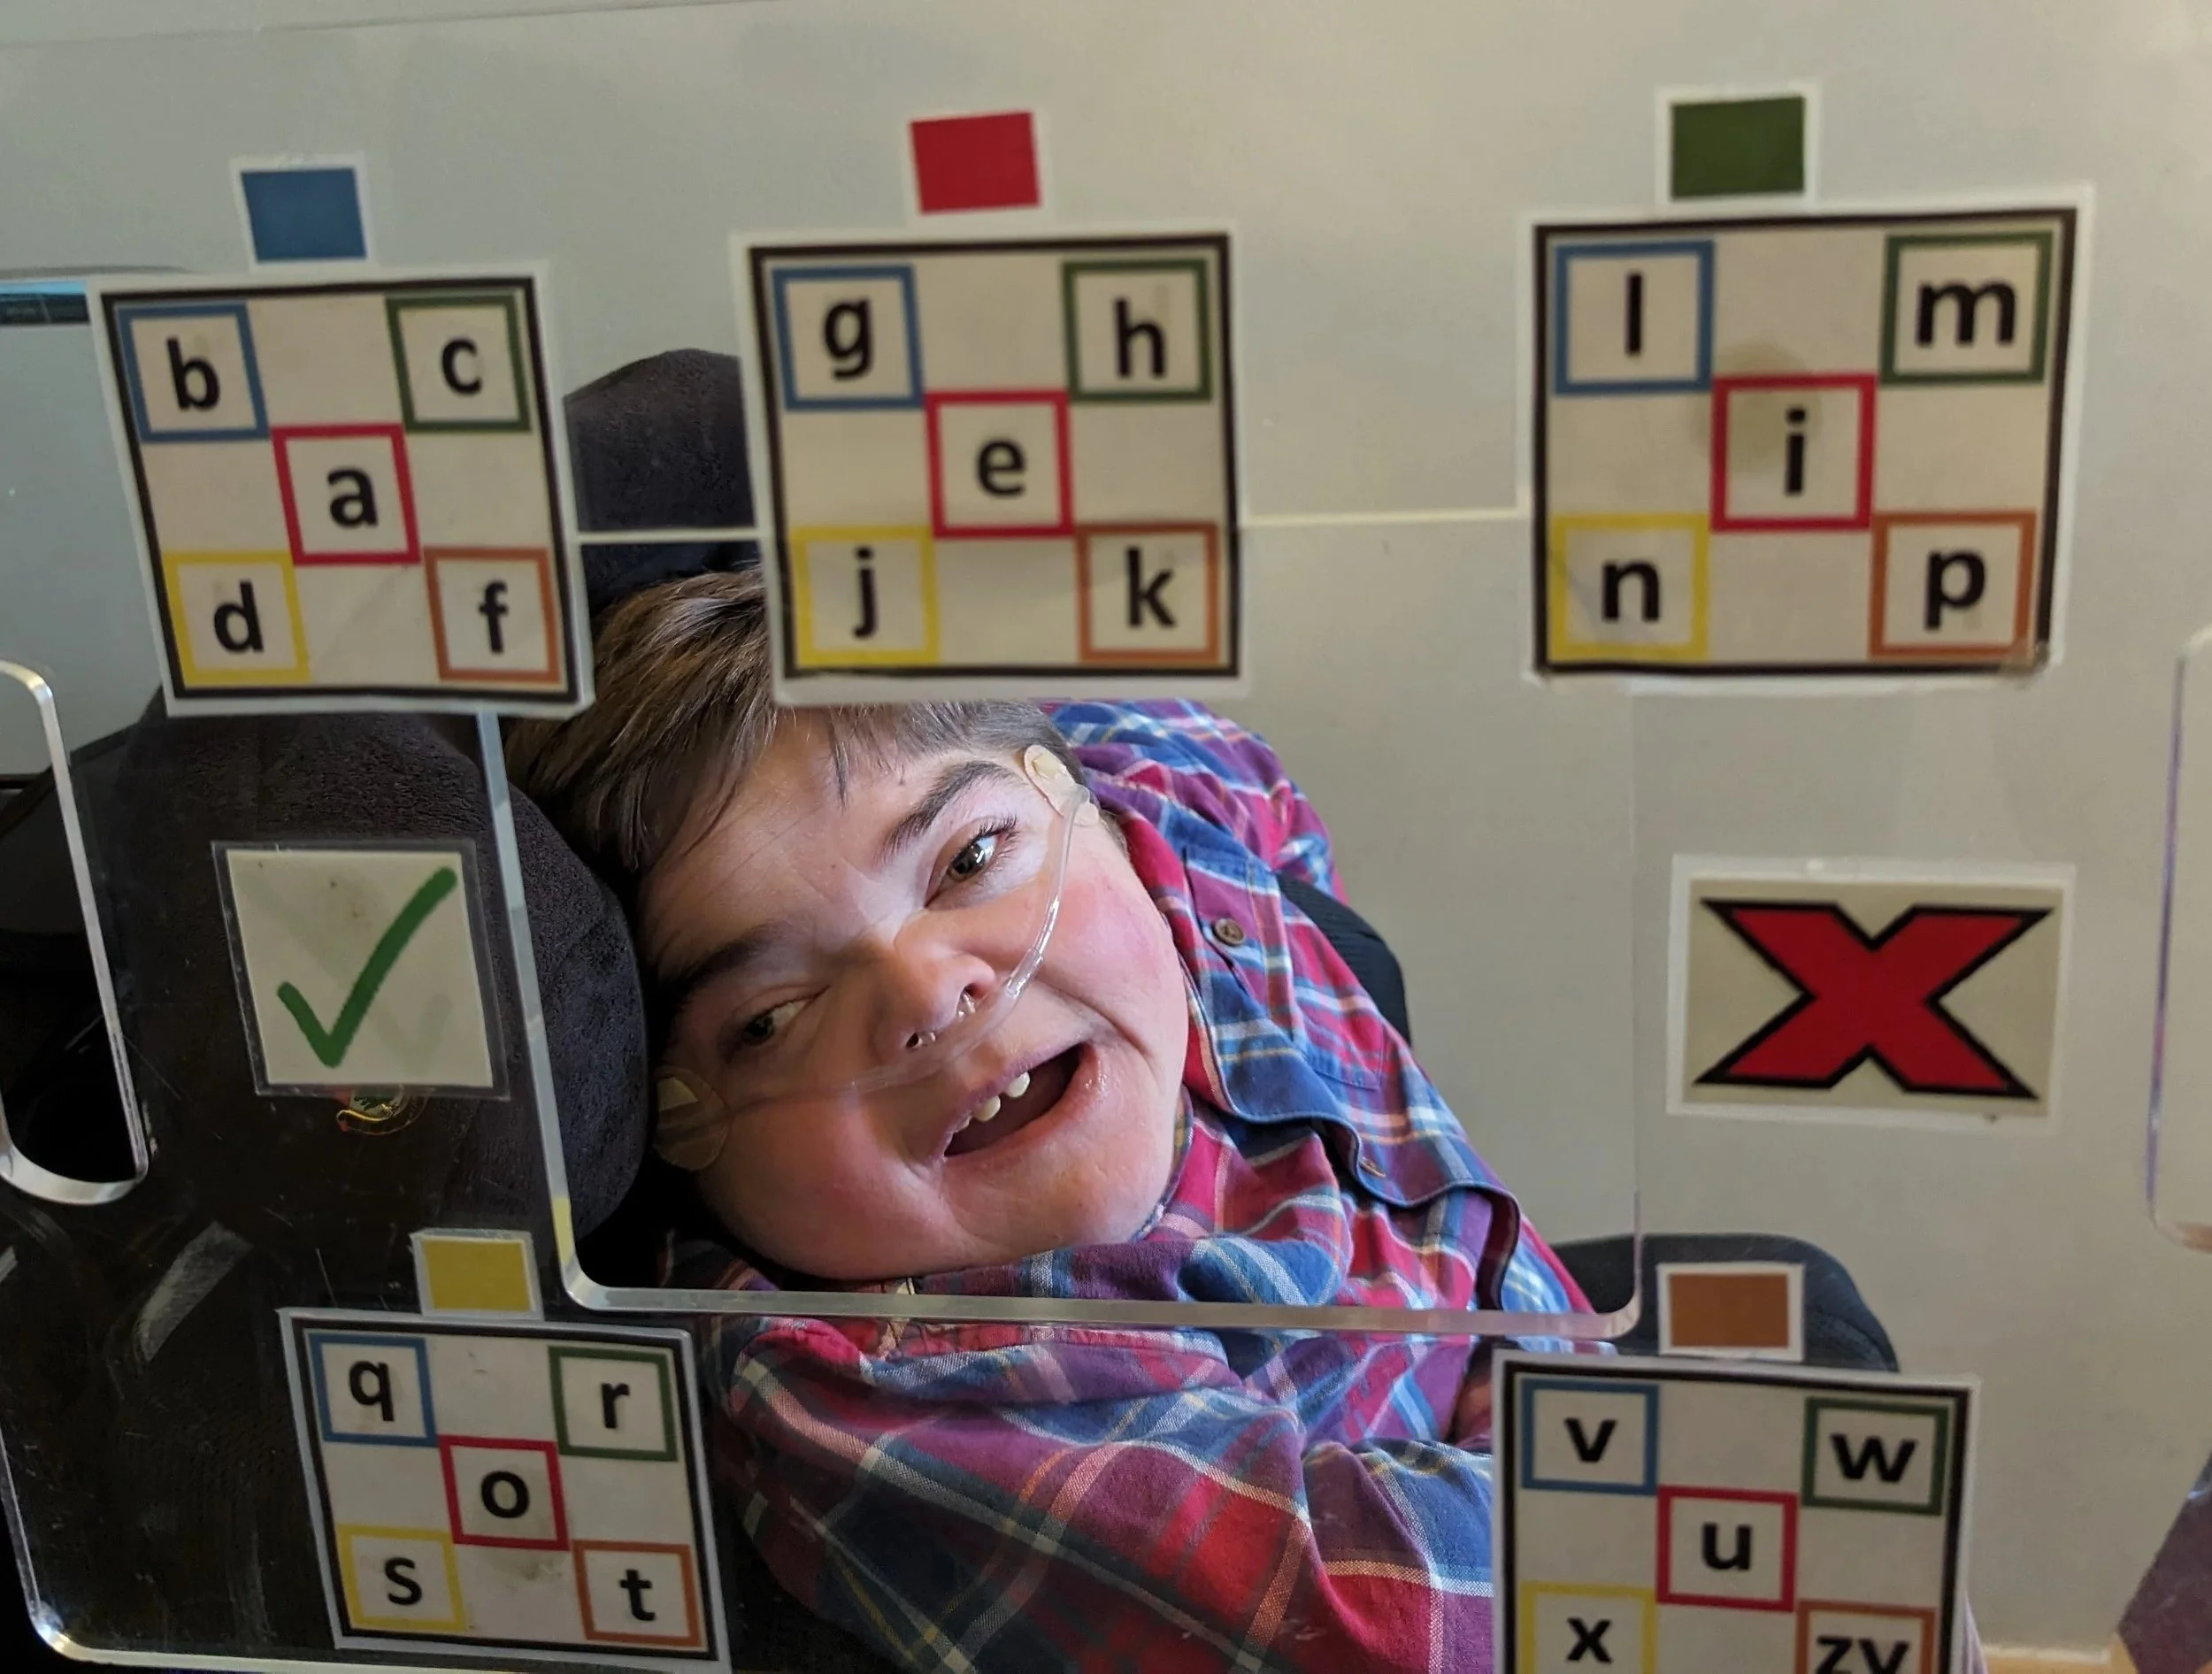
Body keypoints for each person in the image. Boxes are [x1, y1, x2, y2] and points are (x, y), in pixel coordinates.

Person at [507, 566, 1594, 1673]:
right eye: (774, 1017)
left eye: (969, 861)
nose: (930, 992)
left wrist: (1312, 905)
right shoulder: (881, 1395)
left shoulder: (1162, 836)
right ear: (679, 1146)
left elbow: (1217, 761)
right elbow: (1417, 1633)